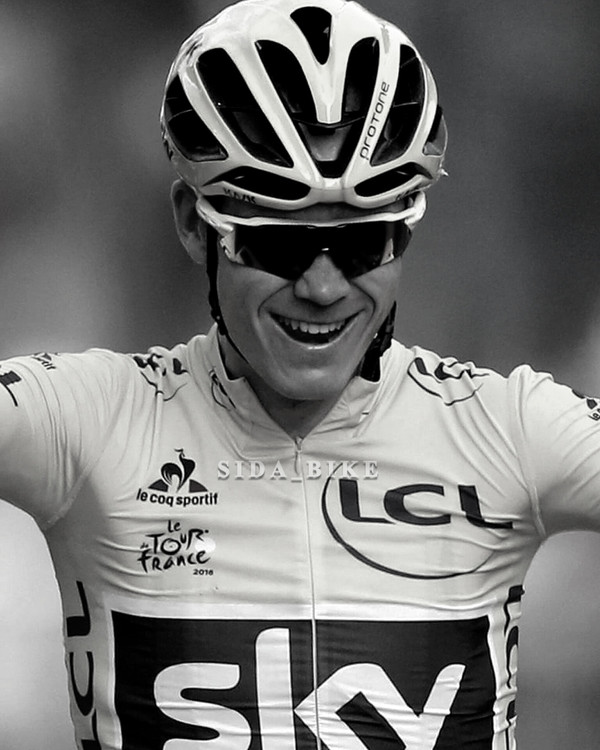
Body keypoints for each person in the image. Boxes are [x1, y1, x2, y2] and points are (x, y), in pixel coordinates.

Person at [1, 0, 599, 748]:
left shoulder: (509, 429)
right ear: (192, 222)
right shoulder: (90, 422)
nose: (321, 287)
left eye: (363, 243)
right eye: (280, 245)